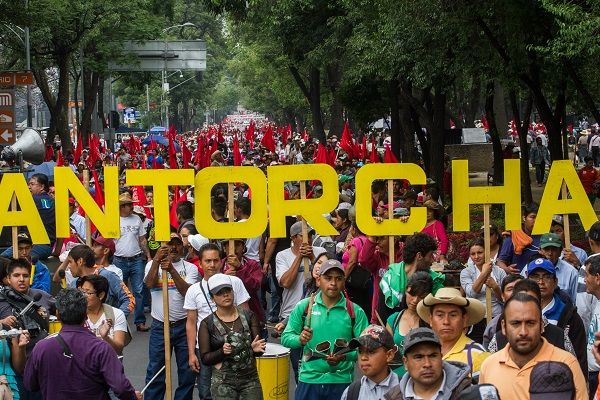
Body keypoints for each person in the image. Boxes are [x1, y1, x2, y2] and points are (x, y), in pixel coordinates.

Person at [23, 288, 142, 400]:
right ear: (86, 314)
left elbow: (30, 384)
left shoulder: (41, 347)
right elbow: (120, 387)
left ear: (58, 315)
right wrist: (132, 396)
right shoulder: (101, 348)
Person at [281, 259, 368, 400]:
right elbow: (286, 338)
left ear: (344, 282)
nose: (333, 283)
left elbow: (365, 348)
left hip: (342, 381)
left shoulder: (355, 311)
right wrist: (300, 339)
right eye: (328, 278)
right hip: (309, 381)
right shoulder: (303, 307)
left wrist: (344, 356)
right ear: (318, 280)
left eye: (338, 279)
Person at [479, 292, 587, 399]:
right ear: (503, 326)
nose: (523, 332)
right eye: (515, 323)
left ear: (541, 325)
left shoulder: (567, 363)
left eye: (530, 323)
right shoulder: (489, 366)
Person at [184, 244, 250, 400]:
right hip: (205, 350)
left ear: (222, 262)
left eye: (215, 260)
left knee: (239, 390)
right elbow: (191, 323)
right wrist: (192, 353)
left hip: (235, 348)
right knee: (206, 392)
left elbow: (246, 315)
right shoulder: (193, 290)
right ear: (200, 263)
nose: (212, 265)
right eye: (207, 261)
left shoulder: (235, 282)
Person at [143, 237, 198, 400]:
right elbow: (149, 285)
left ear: (183, 246)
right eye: (169, 244)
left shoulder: (191, 268)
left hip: (183, 326)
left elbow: (187, 292)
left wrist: (172, 271)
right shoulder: (151, 265)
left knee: (187, 371)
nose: (173, 248)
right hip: (160, 326)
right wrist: (156, 262)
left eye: (177, 244)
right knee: (156, 369)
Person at [198, 274, 265, 399]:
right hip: (223, 381)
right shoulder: (207, 323)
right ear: (212, 298)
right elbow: (205, 358)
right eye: (219, 293)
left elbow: (259, 349)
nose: (225, 295)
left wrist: (255, 349)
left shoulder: (249, 316)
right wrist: (221, 352)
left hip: (250, 379)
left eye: (228, 290)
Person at [525, 257, 587, 377]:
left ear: (555, 282)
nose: (541, 282)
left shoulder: (570, 316)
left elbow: (580, 357)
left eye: (547, 277)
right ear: (527, 280)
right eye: (535, 277)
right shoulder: (518, 312)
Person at [416, 287, 489, 378]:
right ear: (431, 319)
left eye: (453, 315)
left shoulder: (477, 354)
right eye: (440, 315)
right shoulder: (422, 351)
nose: (446, 321)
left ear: (464, 319)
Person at [383, 327, 473, 400]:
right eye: (418, 357)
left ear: (441, 358)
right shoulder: (392, 397)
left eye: (433, 356)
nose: (427, 364)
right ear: (405, 363)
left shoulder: (468, 393)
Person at [378, 233, 443, 324]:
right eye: (431, 255)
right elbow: (383, 316)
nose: (433, 260)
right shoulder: (389, 280)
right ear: (419, 256)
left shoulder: (435, 281)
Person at [114, 192, 151, 331]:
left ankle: (139, 322)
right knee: (119, 292)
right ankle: (119, 322)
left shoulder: (137, 219)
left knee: (139, 291)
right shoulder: (114, 219)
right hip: (119, 259)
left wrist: (148, 255)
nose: (131, 207)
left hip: (136, 259)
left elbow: (142, 239)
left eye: (131, 204)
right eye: (129, 205)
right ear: (122, 207)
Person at [64, 244, 132, 318]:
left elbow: (129, 299)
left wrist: (115, 320)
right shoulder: (73, 284)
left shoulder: (108, 276)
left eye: (70, 262)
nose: (69, 266)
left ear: (80, 261)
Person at [275, 221, 325, 321]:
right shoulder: (282, 255)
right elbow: (286, 282)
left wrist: (312, 257)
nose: (308, 239)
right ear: (293, 238)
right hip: (291, 311)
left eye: (310, 235)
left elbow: (326, 277)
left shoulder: (321, 252)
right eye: (303, 236)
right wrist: (299, 256)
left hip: (317, 310)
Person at [385, 271, 432, 377]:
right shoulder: (393, 320)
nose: (415, 300)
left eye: (421, 297)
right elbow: (386, 352)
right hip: (395, 380)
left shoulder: (431, 321)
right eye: (412, 294)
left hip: (422, 378)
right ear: (405, 291)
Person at [2, 174, 56, 260]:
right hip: (47, 248)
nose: (29, 186)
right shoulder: (53, 202)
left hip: (32, 245)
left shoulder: (31, 200)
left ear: (42, 186)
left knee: (3, 259)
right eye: (28, 184)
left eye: (32, 184)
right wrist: (57, 251)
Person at [341, 324, 400, 400]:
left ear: (389, 355)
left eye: (371, 351)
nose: (363, 358)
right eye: (360, 351)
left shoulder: (405, 388)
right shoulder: (351, 392)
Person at [77, 275, 128, 356]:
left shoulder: (116, 314)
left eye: (88, 293)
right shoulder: (76, 314)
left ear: (101, 295)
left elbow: (119, 350)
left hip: (108, 366)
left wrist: (105, 337)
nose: (83, 296)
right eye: (82, 292)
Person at [460, 238, 506, 322]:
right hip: (474, 318)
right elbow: (471, 293)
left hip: (496, 317)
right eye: (473, 254)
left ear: (487, 252)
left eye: (480, 253)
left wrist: (495, 287)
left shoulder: (499, 271)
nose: (476, 257)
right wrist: (484, 273)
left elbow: (505, 299)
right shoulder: (466, 272)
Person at [220, 239, 264, 323]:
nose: (233, 248)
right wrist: (224, 278)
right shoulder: (218, 265)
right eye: (229, 245)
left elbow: (255, 287)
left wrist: (240, 268)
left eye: (237, 245)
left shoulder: (253, 265)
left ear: (243, 248)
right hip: (224, 318)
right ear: (224, 248)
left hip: (251, 315)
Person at [533, 232, 578, 304]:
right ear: (540, 250)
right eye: (546, 249)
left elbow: (575, 301)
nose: (550, 253)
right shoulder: (530, 268)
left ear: (560, 252)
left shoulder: (571, 272)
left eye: (554, 249)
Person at [497, 203, 542, 274]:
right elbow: (500, 262)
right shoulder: (512, 236)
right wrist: (507, 269)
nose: (536, 220)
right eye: (532, 217)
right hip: (519, 280)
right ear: (524, 218)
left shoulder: (545, 237)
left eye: (538, 217)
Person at [582, 255, 600, 394]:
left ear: (597, 278)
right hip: (593, 373)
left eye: (587, 275)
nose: (584, 280)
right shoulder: (597, 301)